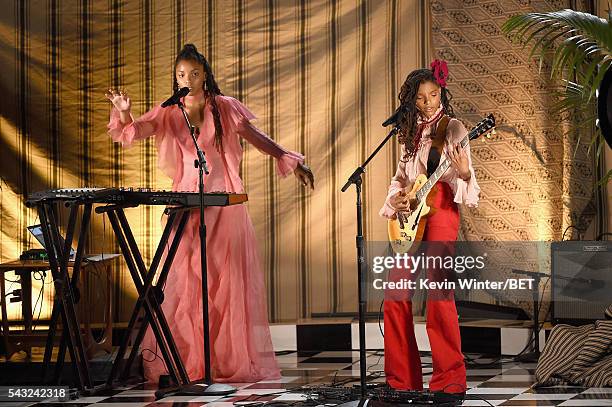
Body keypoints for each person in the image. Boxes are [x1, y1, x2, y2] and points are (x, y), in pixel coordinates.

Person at [105, 43, 314, 384]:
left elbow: (256, 137)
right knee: (187, 284)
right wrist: (124, 112)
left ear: (205, 74)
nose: (186, 79)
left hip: (223, 203)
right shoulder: (170, 110)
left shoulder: (224, 106)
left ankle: (225, 360)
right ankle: (191, 360)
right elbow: (134, 131)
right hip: (187, 203)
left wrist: (290, 161)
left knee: (225, 282)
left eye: (193, 73)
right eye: (180, 74)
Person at [379, 60, 480, 394]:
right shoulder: (409, 133)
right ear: (411, 101)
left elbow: (467, 178)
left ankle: (449, 379)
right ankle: (401, 380)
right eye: (420, 98)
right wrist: (396, 199)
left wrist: (464, 173)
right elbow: (400, 179)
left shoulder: (453, 128)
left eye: (433, 94)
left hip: (442, 211)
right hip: (413, 215)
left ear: (441, 92)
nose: (427, 102)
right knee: (395, 295)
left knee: (439, 295)